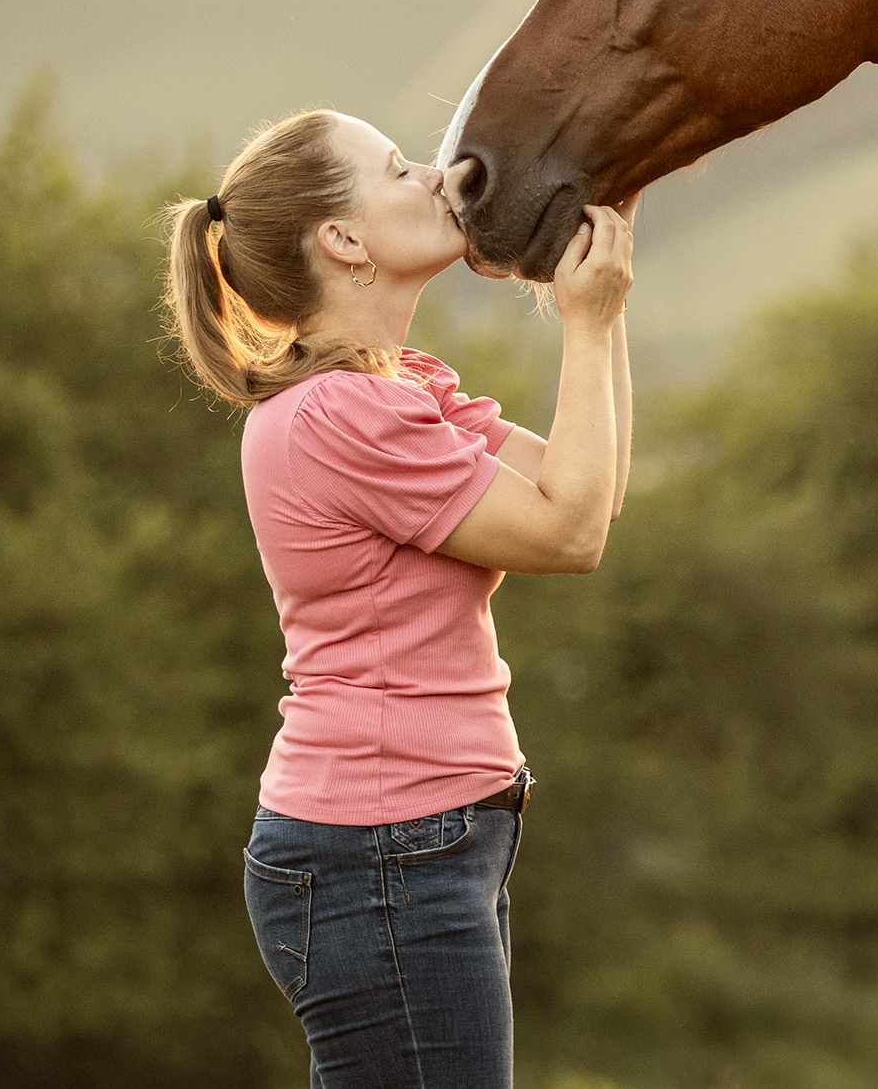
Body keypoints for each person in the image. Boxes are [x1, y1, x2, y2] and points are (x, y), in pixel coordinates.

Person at [162, 106, 634, 1089]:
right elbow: (568, 533)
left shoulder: (396, 387)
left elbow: (580, 492)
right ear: (340, 239)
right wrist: (587, 323)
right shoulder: (343, 414)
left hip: (415, 843)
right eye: (396, 168)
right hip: (385, 854)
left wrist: (605, 312)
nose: (434, 174)